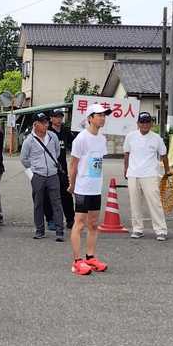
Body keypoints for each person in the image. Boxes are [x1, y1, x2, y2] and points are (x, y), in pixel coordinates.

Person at [68, 108, 110, 276]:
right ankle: (77, 261)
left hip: (95, 187)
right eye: (99, 115)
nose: (103, 118)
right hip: (82, 187)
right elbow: (73, 164)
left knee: (93, 224)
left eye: (104, 116)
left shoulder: (102, 139)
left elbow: (98, 162)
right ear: (90, 118)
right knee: (79, 223)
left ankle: (90, 257)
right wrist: (72, 184)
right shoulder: (81, 138)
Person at [123, 112, 170, 241]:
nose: (145, 124)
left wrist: (167, 171)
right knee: (135, 203)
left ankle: (161, 230)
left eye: (147, 122)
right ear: (138, 123)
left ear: (151, 124)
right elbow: (126, 154)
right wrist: (126, 169)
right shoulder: (130, 136)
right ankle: (137, 229)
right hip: (133, 174)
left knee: (155, 203)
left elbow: (163, 155)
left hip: (150, 174)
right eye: (142, 122)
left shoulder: (157, 138)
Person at [20, 112, 65, 241]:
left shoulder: (52, 136)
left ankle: (59, 231)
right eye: (43, 122)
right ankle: (40, 230)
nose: (46, 125)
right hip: (38, 176)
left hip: (53, 175)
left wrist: (51, 165)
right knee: (38, 204)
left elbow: (57, 152)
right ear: (35, 124)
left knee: (57, 203)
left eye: (46, 122)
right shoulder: (29, 141)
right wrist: (33, 173)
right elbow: (24, 159)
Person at [47, 107, 76, 232]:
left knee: (66, 195)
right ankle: (51, 219)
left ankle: (70, 219)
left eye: (60, 117)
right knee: (50, 195)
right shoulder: (47, 132)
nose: (59, 119)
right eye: (56, 117)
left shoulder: (65, 131)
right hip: (50, 169)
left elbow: (74, 143)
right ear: (51, 118)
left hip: (63, 169)